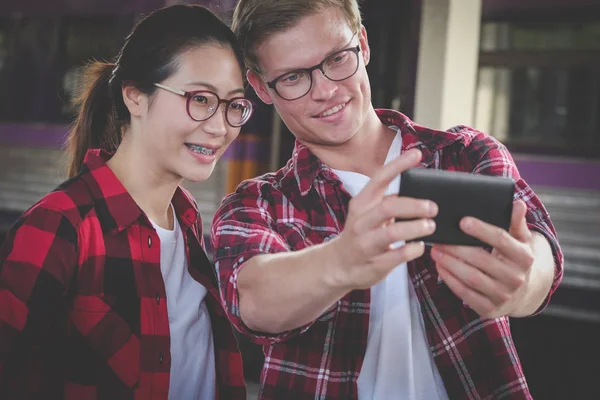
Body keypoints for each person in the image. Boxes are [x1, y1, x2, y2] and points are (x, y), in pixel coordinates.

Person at [211, 1, 564, 399]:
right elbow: (254, 300)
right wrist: (343, 259)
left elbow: (539, 248)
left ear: (362, 44)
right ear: (261, 87)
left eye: (337, 58)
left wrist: (523, 282)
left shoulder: (466, 156)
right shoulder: (256, 205)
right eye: (293, 77)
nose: (326, 90)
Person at [0, 4, 254, 399]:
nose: (220, 126)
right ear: (135, 97)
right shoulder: (59, 227)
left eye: (234, 105)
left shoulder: (186, 225)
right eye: (201, 99)